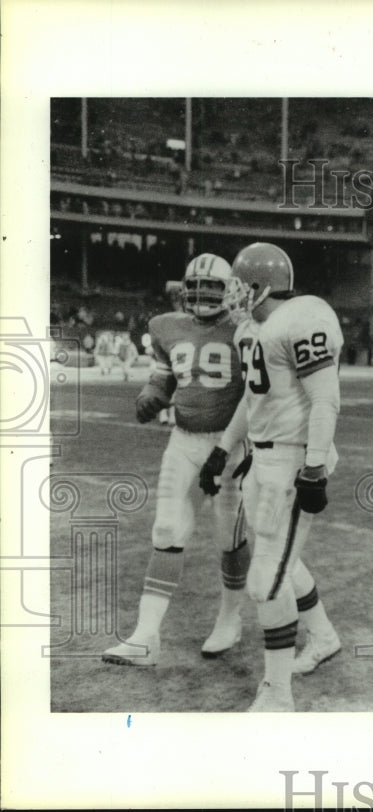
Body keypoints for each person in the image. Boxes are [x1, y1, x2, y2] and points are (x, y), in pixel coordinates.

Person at [198, 242, 343, 713]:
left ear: (259, 286)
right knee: (281, 562)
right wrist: (223, 450)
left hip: (293, 462)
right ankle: (322, 636)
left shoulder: (303, 317)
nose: (234, 295)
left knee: (266, 582)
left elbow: (325, 400)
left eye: (239, 285)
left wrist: (315, 467)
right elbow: (254, 401)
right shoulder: (260, 328)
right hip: (264, 460)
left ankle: (278, 695)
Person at [103, 254, 250, 667]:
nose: (202, 295)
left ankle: (230, 618)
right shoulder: (166, 326)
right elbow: (164, 373)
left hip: (231, 444)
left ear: (230, 291)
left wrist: (234, 448)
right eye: (196, 287)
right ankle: (146, 636)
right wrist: (152, 393)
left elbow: (257, 393)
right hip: (183, 441)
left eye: (212, 288)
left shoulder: (245, 329)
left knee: (228, 537)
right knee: (167, 527)